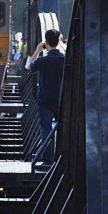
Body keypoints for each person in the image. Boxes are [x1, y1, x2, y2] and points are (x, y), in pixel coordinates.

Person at [29, 29, 65, 164]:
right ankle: (62, 157)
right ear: (59, 41)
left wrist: (38, 50)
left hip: (44, 99)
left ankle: (47, 159)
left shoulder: (43, 60)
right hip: (61, 99)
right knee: (62, 126)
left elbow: (29, 67)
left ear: (46, 42)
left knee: (46, 128)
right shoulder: (65, 59)